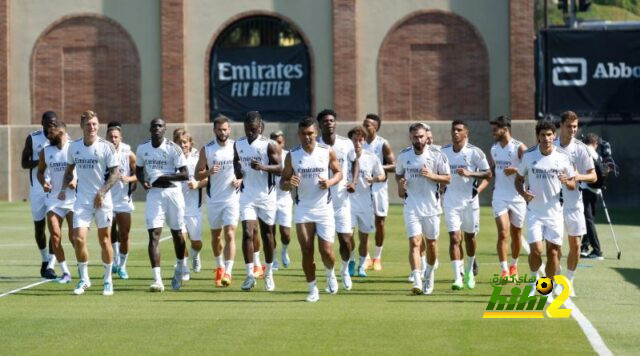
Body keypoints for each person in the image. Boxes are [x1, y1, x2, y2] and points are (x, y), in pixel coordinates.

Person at [280, 117, 342, 302]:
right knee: (306, 250)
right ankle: (312, 289)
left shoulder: (327, 151)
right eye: (303, 134)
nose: (307, 137)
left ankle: (330, 274)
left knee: (327, 251)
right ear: (299, 135)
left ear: (316, 133)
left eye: (310, 134)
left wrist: (330, 182)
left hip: (324, 209)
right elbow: (283, 182)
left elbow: (339, 173)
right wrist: (288, 182)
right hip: (303, 209)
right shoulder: (293, 155)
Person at [61, 110, 120, 296]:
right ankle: (84, 279)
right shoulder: (74, 147)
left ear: (98, 126)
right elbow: (69, 169)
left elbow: (115, 174)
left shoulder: (106, 147)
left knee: (104, 240)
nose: (92, 127)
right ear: (82, 126)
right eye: (88, 124)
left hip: (103, 201)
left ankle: (108, 280)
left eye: (94, 124)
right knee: (78, 239)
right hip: (82, 201)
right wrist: (68, 182)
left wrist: (102, 192)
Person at [515, 120, 576, 295]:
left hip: (555, 212)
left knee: (553, 252)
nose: (546, 138)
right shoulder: (528, 155)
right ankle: (535, 279)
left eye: (549, 135)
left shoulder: (563, 157)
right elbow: (518, 180)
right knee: (536, 250)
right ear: (537, 137)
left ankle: (547, 287)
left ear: (554, 136)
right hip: (534, 212)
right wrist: (523, 194)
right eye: (543, 135)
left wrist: (567, 182)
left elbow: (572, 183)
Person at [396, 123, 451, 295]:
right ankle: (418, 280)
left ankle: (430, 275)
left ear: (427, 137)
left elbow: (448, 178)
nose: (418, 140)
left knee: (432, 244)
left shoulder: (437, 155)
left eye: (421, 136)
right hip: (411, 206)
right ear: (410, 137)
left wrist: (432, 176)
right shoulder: (404, 155)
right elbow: (399, 174)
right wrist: (401, 183)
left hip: (432, 208)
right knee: (414, 243)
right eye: (415, 137)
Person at [135, 118, 189, 292]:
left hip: (173, 193)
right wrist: (143, 182)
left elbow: (185, 174)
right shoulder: (143, 148)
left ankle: (180, 267)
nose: (157, 129)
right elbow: (138, 169)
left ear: (165, 129)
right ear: (150, 129)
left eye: (160, 126)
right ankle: (157, 280)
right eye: (154, 126)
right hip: (155, 195)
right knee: (154, 235)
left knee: (178, 235)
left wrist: (163, 177)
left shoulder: (173, 148)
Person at [233, 111, 282, 291]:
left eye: (253, 129)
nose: (250, 132)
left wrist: (262, 167)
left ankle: (268, 273)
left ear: (260, 127)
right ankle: (249, 274)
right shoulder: (238, 143)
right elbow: (236, 160)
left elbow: (280, 168)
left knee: (268, 234)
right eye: (247, 129)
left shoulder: (270, 145)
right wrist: (238, 172)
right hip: (247, 195)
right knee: (247, 232)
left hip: (266, 196)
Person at [441, 120, 491, 290]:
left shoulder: (475, 153)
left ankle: (469, 271)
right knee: (455, 238)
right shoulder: (444, 152)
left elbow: (488, 174)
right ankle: (457, 277)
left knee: (470, 238)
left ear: (466, 133)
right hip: (450, 201)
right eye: (453, 130)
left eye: (459, 130)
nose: (455, 132)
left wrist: (471, 174)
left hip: (470, 202)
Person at [554, 112, 596, 295]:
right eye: (569, 126)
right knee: (554, 247)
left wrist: (578, 176)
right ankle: (557, 277)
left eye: (575, 126)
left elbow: (593, 176)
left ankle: (568, 282)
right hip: (552, 204)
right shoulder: (549, 145)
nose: (572, 130)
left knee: (576, 245)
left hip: (574, 203)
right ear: (561, 126)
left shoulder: (581, 149)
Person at [196, 116, 241, 287]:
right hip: (214, 199)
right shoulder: (207, 149)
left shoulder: (237, 147)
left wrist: (240, 180)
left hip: (232, 198)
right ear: (214, 130)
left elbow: (244, 171)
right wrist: (208, 173)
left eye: (225, 129)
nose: (223, 132)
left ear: (229, 130)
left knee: (230, 233)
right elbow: (197, 174)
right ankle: (219, 266)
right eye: (219, 129)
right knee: (216, 236)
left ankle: (228, 272)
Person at [317, 109, 358, 285]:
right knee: (327, 245)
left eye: (332, 120)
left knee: (346, 240)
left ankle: (344, 269)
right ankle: (330, 275)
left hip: (342, 200)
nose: (329, 123)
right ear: (320, 125)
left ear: (336, 123)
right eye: (325, 121)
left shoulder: (346, 143)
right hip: (321, 201)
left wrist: (353, 181)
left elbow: (355, 161)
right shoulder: (315, 145)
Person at [488, 116, 529, 279]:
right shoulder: (494, 149)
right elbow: (492, 170)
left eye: (495, 129)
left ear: (505, 129)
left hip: (517, 197)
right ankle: (504, 269)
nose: (493, 133)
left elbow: (531, 167)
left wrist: (516, 169)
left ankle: (514, 265)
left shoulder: (519, 147)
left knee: (516, 233)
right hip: (499, 196)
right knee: (503, 232)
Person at [37, 121, 75, 283]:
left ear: (64, 133)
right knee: (55, 235)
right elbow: (40, 172)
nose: (54, 136)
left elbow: (84, 171)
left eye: (58, 133)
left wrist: (77, 183)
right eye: (52, 134)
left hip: (73, 200)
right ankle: (65, 272)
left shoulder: (74, 148)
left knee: (75, 238)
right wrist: (44, 183)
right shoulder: (46, 151)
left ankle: (83, 269)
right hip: (53, 200)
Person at [21, 111, 58, 278]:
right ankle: (44, 259)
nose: (52, 125)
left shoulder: (62, 138)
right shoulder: (33, 138)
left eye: (54, 123)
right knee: (39, 228)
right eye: (49, 122)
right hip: (37, 188)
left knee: (54, 226)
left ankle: (51, 264)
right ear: (42, 122)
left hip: (55, 189)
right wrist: (42, 161)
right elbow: (24, 163)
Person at [347, 126, 385, 285]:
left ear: (364, 140)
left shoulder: (371, 157)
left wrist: (374, 179)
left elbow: (382, 175)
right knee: (347, 236)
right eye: (354, 139)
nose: (357, 142)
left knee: (364, 237)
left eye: (360, 139)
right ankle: (350, 260)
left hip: (365, 203)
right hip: (348, 202)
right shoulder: (345, 156)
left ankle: (362, 265)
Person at [362, 113, 395, 271]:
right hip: (363, 188)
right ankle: (366, 257)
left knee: (380, 222)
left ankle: (378, 257)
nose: (365, 127)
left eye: (368, 124)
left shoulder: (383, 144)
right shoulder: (358, 143)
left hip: (379, 187)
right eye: (364, 124)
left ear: (376, 127)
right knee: (364, 222)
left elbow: (394, 166)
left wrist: (378, 169)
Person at [175, 129, 208, 281]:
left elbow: (209, 178)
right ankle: (184, 268)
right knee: (181, 238)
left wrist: (197, 184)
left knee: (196, 242)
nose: (182, 145)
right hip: (176, 205)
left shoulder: (198, 157)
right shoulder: (172, 157)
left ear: (190, 143)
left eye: (185, 142)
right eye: (179, 142)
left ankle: (195, 255)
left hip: (194, 206)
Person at [105, 121, 137, 280]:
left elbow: (139, 174)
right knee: (110, 234)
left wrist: (128, 178)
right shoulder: (101, 151)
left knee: (124, 234)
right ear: (106, 137)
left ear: (120, 138)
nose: (113, 139)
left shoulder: (128, 152)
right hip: (107, 199)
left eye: (116, 136)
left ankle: (123, 266)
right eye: (110, 136)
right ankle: (115, 260)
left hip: (123, 200)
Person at [270, 130, 293, 269]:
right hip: (269, 199)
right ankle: (273, 258)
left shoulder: (289, 156)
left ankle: (284, 250)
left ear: (283, 142)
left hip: (284, 199)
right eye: (273, 142)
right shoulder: (266, 156)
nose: (276, 145)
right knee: (270, 232)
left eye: (279, 142)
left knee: (286, 234)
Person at [581, 133, 604, 260]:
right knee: (588, 220)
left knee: (588, 220)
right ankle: (584, 247)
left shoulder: (585, 152)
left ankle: (597, 251)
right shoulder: (597, 155)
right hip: (595, 191)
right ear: (595, 143)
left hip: (586, 190)